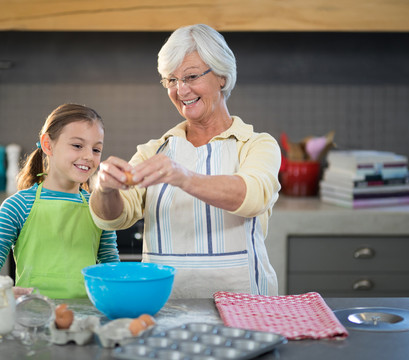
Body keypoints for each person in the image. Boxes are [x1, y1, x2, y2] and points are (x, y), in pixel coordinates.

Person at [89, 24, 281, 298]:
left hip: (247, 307)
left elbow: (254, 196)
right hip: (166, 307)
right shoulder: (154, 151)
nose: (180, 90)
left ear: (222, 77)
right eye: (171, 80)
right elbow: (113, 218)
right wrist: (104, 188)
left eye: (190, 77)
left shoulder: (256, 145)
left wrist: (184, 177)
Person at [0, 103, 119, 299]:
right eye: (77, 145)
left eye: (96, 149)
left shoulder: (99, 207)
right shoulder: (17, 206)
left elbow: (112, 270)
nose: (88, 156)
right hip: (31, 318)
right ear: (48, 145)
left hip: (86, 320)